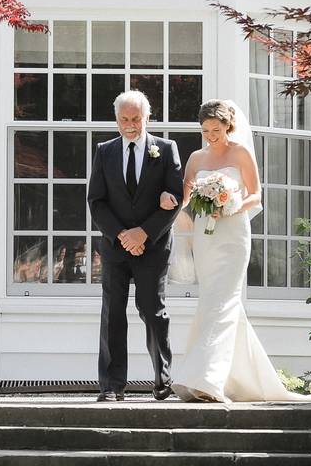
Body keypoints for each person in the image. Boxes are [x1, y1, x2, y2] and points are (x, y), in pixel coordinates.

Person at [159, 99, 311, 403]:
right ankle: (236, 378)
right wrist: (169, 199)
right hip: (206, 238)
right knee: (212, 302)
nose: (210, 135)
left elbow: (255, 194)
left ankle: (207, 379)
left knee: (225, 300)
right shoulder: (195, 157)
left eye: (216, 129)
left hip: (233, 236)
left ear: (228, 126)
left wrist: (230, 205)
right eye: (205, 130)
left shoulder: (240, 153)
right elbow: (185, 195)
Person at [87, 90, 184, 402]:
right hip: (116, 248)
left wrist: (144, 233)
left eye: (136, 119)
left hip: (153, 247)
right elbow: (97, 201)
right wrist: (123, 235)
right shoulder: (104, 151)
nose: (130, 125)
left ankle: (162, 379)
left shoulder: (166, 150)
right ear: (117, 119)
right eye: (124, 119)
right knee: (113, 313)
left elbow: (175, 200)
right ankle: (112, 386)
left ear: (147, 118)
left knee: (152, 309)